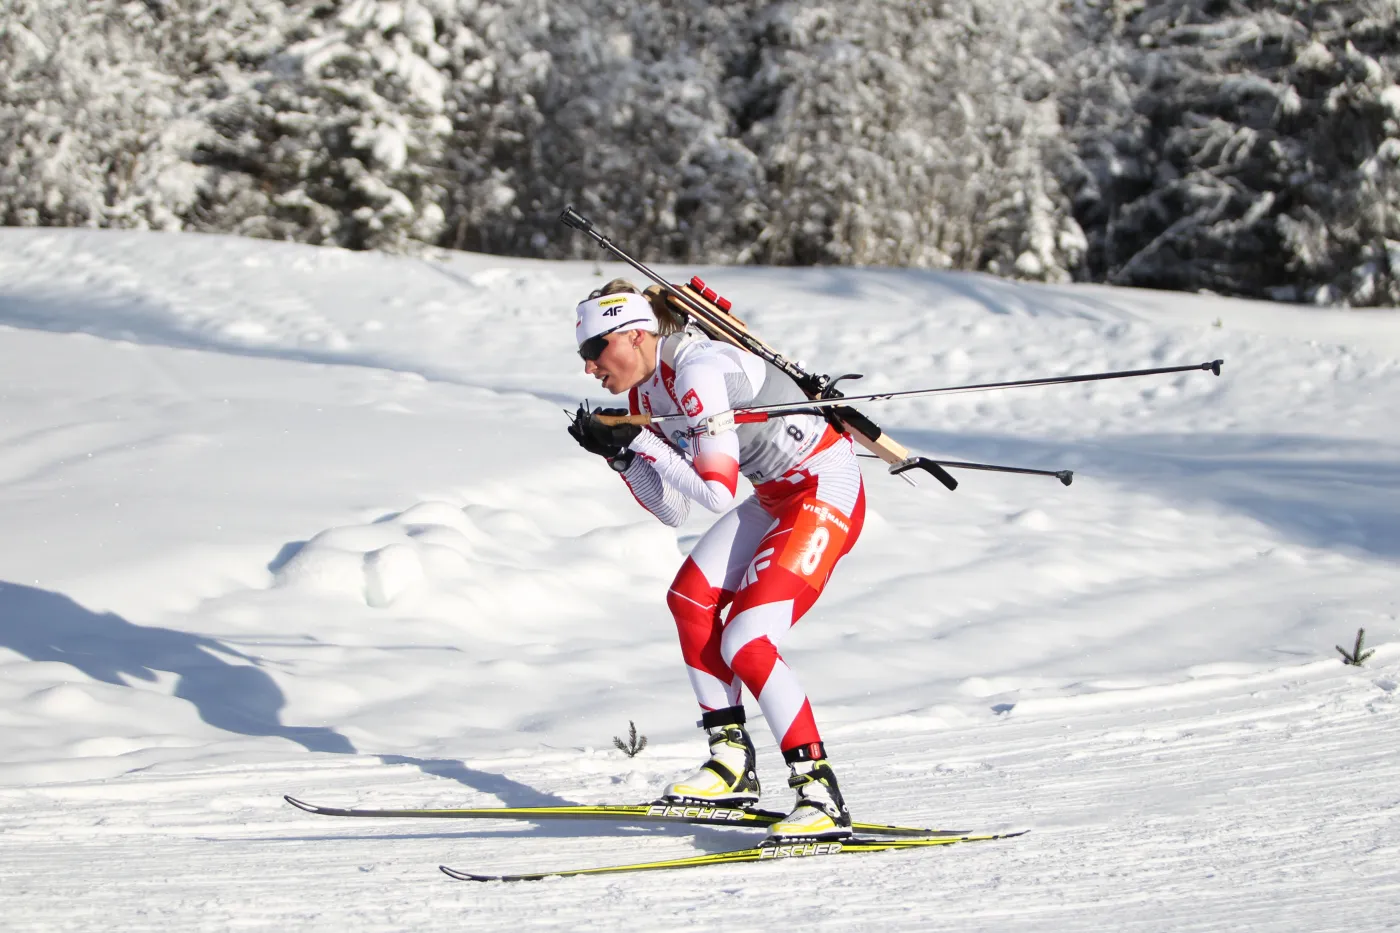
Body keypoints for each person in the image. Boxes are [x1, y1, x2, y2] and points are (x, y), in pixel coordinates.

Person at [566, 278, 867, 841]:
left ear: (634, 335)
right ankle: (731, 764)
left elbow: (715, 492)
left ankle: (819, 792)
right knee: (689, 600)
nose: (589, 370)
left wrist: (641, 442)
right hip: (776, 495)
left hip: (824, 487)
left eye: (593, 351)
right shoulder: (645, 394)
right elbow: (672, 508)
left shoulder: (697, 370)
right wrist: (619, 456)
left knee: (748, 641)